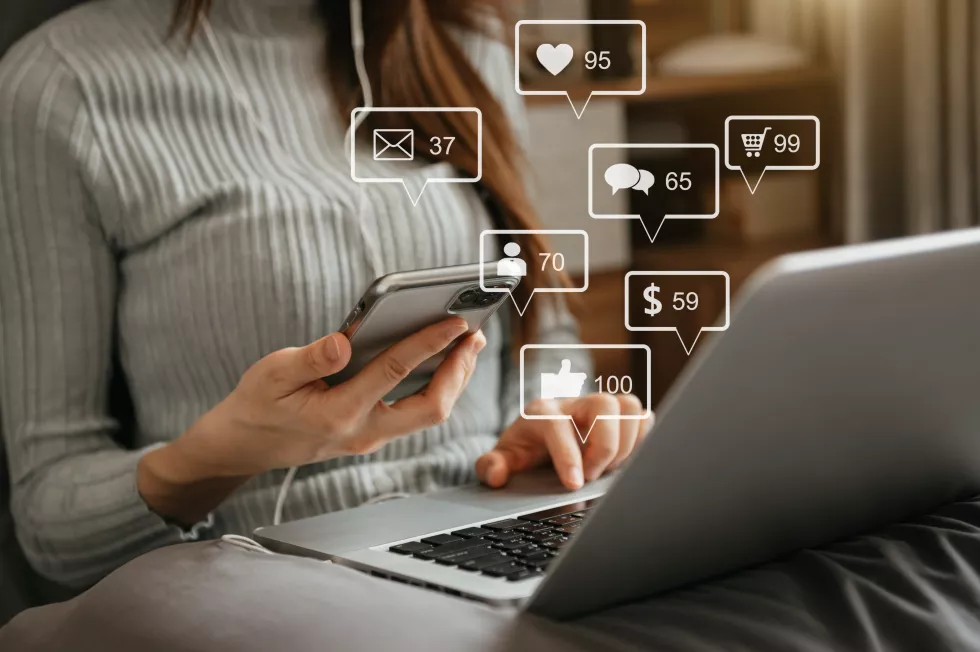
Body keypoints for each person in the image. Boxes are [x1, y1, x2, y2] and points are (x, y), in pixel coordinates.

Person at [0, 0, 653, 592]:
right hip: (265, 576)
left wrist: (551, 419)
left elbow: (546, 333)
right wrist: (214, 460)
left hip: (501, 531)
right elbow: (49, 521)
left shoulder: (458, 39)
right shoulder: (60, 85)